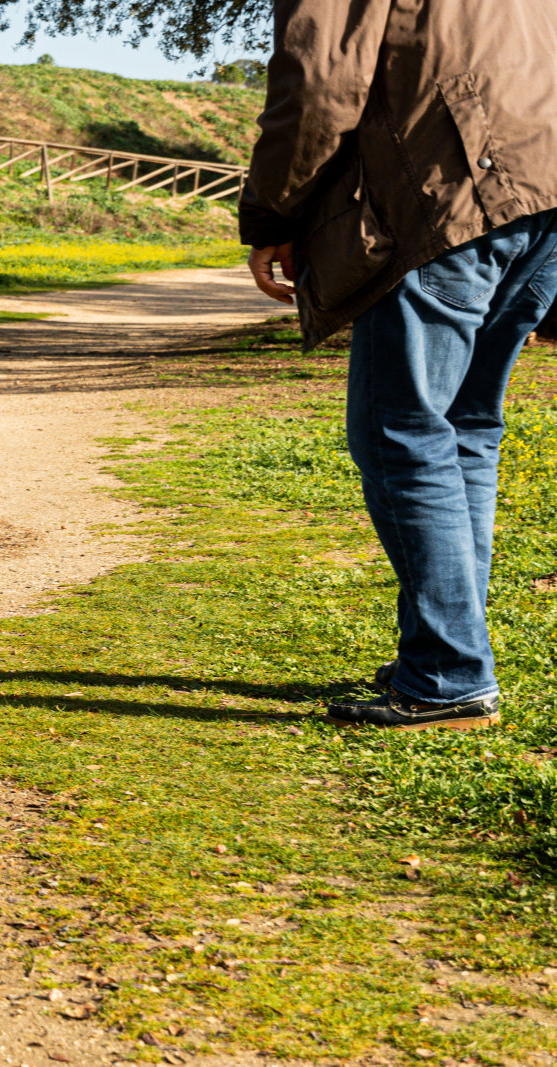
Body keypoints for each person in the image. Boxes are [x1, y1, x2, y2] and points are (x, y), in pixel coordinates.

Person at [240, 0, 557, 729]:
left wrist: (272, 215)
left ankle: (449, 672)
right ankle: (446, 654)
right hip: (540, 192)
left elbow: (317, 83)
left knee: (400, 431)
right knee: (466, 426)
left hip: (453, 188)